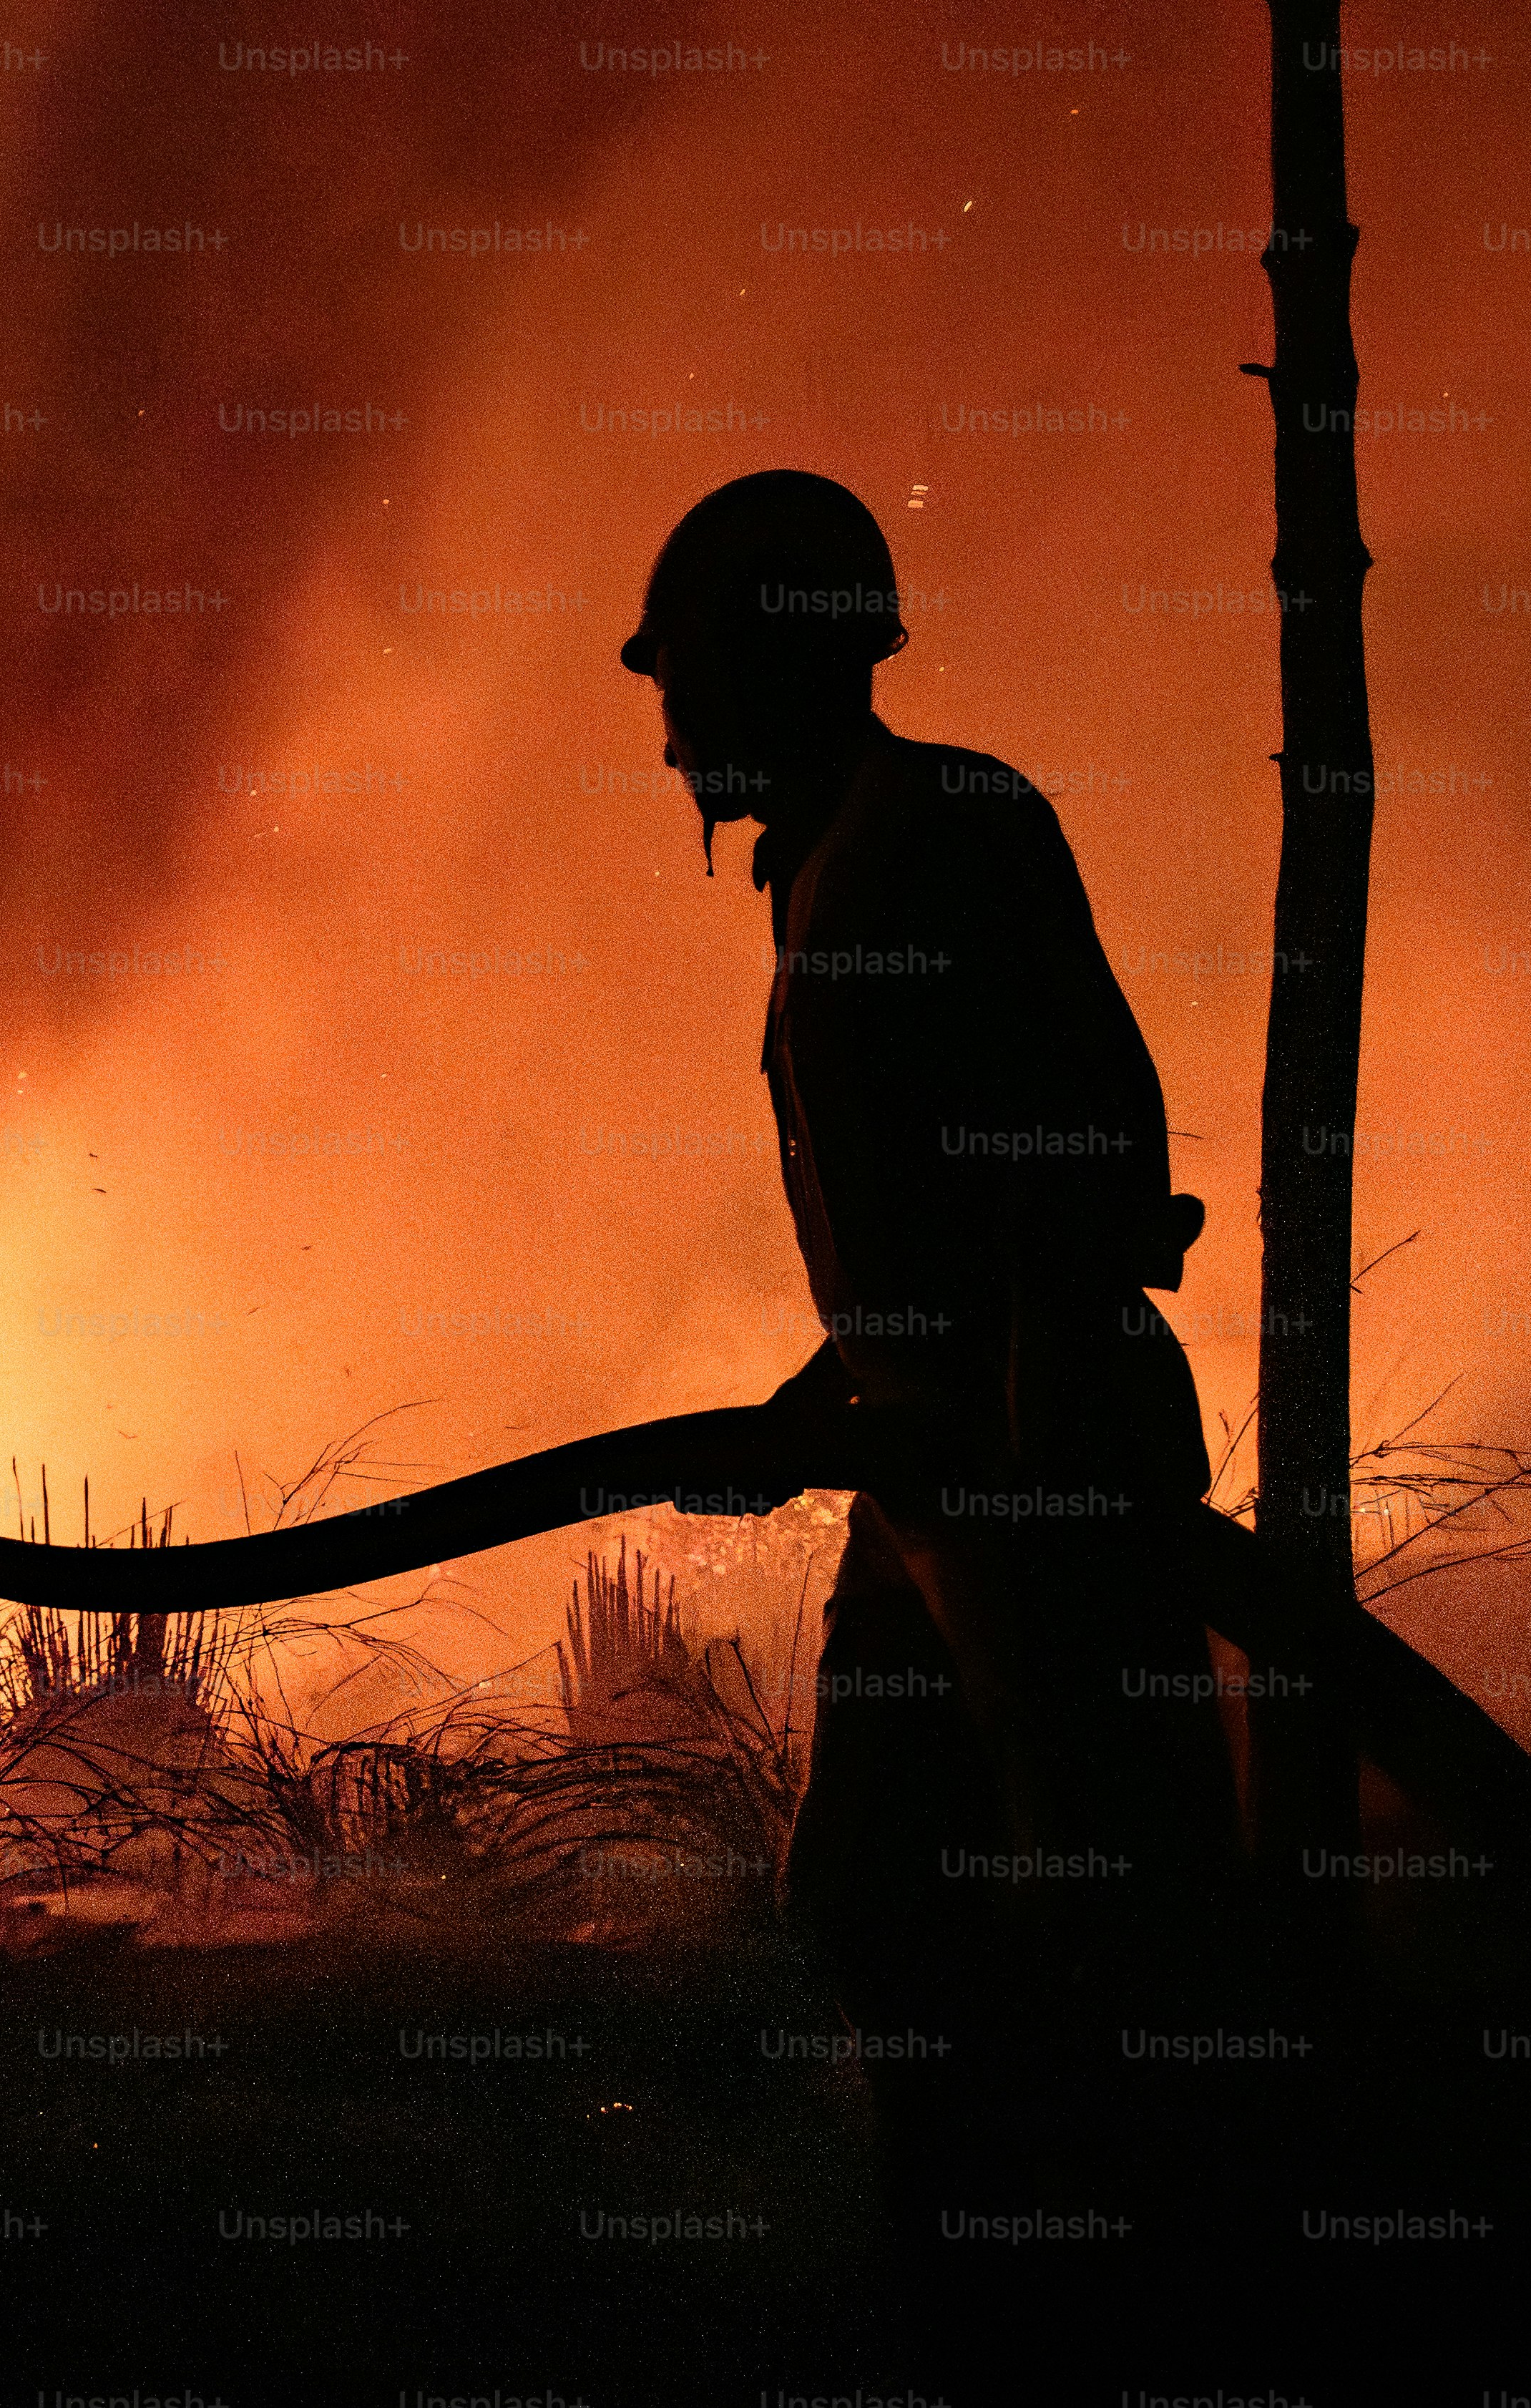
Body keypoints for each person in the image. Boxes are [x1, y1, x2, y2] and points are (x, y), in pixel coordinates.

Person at [624, 472, 1257, 2205]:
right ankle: (965, 2227)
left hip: (1034, 1468)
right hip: (929, 1484)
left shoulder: (946, 827)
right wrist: (809, 1413)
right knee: (878, 1893)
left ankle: (1173, 2267)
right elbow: (931, 1237)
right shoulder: (823, 863)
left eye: (682, 684)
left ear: (776, 662)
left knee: (1115, 1905)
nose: (669, 739)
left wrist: (1038, 1481)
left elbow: (1077, 1163)